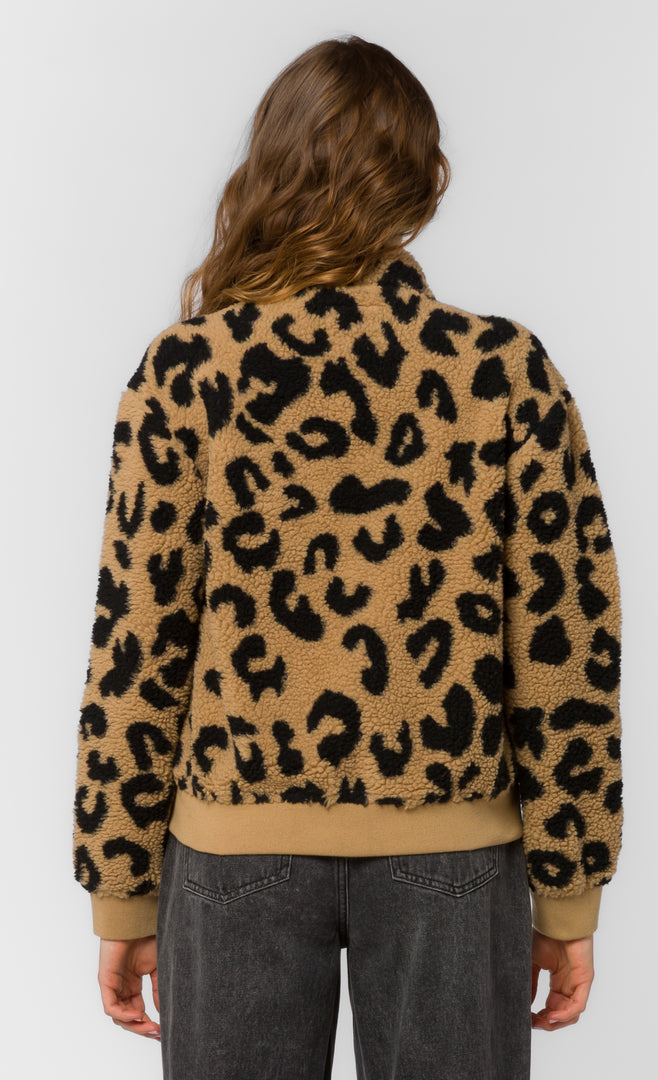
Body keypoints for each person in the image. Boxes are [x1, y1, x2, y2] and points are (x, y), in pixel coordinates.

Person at [72, 34, 623, 1079]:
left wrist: (122, 891)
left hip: (231, 848)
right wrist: (569, 891)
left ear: (271, 167)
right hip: (454, 851)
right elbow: (567, 650)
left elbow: (136, 646)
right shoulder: (502, 371)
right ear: (422, 181)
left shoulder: (187, 373)